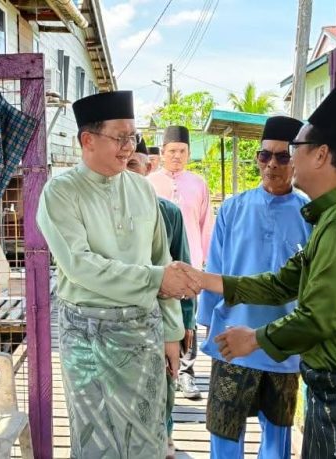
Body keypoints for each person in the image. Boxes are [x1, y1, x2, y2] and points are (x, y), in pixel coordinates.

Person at [184, 88, 336, 458]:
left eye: (294, 147)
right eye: (267, 154)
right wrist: (204, 280)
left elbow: (317, 318)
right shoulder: (330, 215)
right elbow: (282, 283)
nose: (285, 159)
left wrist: (254, 339)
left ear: (321, 154)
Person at [36, 90, 198, 458]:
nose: (129, 147)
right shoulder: (60, 192)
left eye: (133, 136)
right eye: (120, 137)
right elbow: (80, 265)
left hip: (143, 331)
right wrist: (155, 279)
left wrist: (172, 332)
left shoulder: (142, 188)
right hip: (88, 335)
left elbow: (161, 258)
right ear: (88, 140)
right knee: (95, 438)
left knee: (147, 433)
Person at [197, 116, 311, 459]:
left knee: (277, 432)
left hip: (281, 342)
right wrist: (207, 322)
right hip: (231, 338)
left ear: (296, 161)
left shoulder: (310, 214)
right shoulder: (233, 208)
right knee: (224, 427)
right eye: (265, 155)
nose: (272, 164)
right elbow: (215, 268)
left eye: (282, 156)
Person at [128, 139, 196, 458]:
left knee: (165, 380)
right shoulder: (103, 210)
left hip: (163, 315)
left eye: (133, 164)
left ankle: (165, 436)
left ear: (148, 167)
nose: (126, 170)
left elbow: (182, 267)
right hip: (122, 316)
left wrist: (186, 321)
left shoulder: (168, 212)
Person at [148, 125, 213, 400]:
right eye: (172, 150)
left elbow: (206, 223)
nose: (177, 156)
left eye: (182, 151)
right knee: (161, 313)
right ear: (163, 152)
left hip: (191, 260)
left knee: (189, 318)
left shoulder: (198, 184)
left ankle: (186, 373)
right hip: (159, 263)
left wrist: (206, 261)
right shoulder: (149, 182)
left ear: (188, 153)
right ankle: (161, 370)